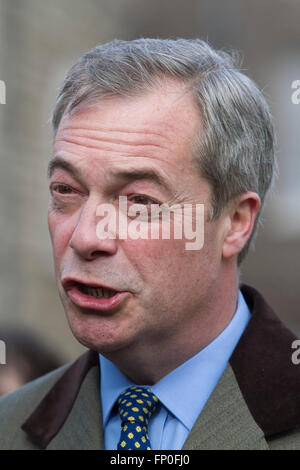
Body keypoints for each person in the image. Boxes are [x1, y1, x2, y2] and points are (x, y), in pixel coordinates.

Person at [0, 38, 299, 450]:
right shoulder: (9, 426)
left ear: (234, 222)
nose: (86, 237)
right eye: (66, 190)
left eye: (139, 201)